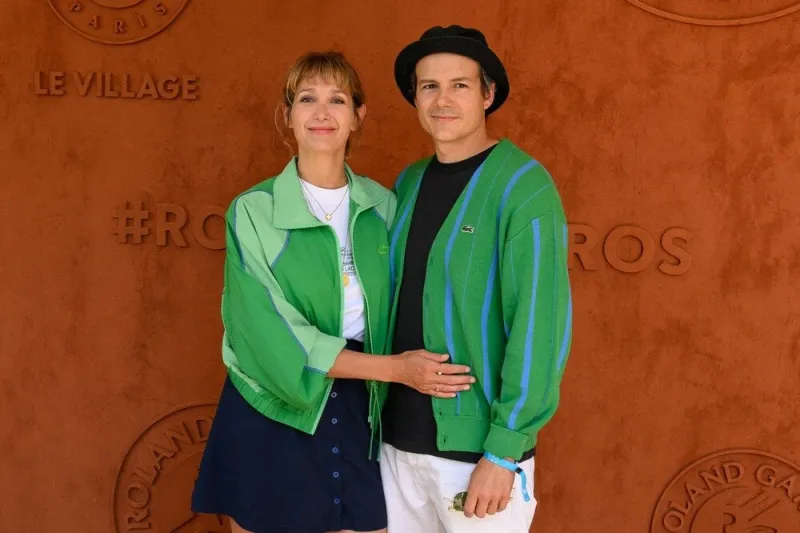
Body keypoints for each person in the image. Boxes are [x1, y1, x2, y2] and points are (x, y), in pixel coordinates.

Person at [191, 51, 475, 533]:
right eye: (307, 99)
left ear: (358, 115)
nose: (322, 113)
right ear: (289, 116)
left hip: (361, 406)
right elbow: (265, 333)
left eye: (337, 99)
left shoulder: (385, 207)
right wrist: (396, 370)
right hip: (271, 404)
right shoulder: (254, 211)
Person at [379, 25, 574, 533]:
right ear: (415, 97)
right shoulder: (409, 180)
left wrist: (504, 452)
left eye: (459, 85)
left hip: (476, 459)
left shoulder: (523, 186)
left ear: (487, 95)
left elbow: (540, 324)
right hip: (395, 444)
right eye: (429, 86)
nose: (442, 100)